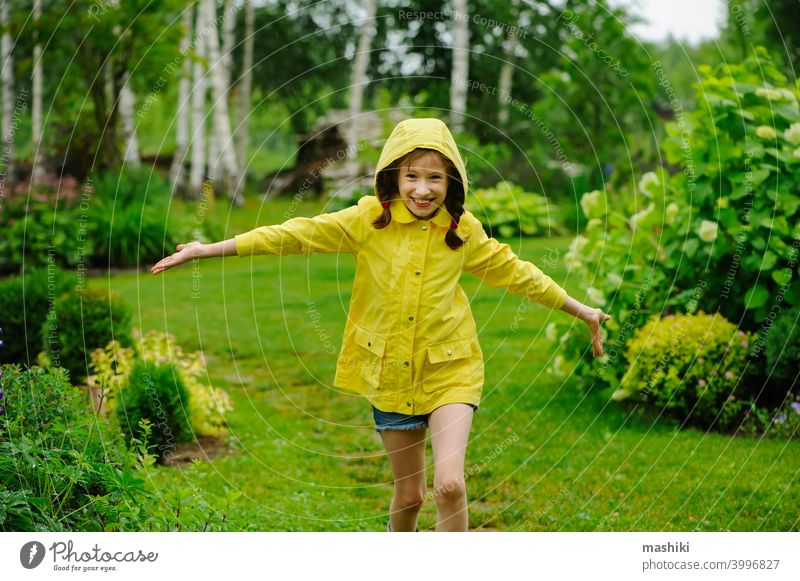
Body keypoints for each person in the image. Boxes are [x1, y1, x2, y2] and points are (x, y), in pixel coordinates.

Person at [151, 117, 610, 532]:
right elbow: (293, 234)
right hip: (389, 374)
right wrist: (208, 249)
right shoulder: (368, 220)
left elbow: (518, 274)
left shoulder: (462, 230)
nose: (423, 189)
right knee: (409, 496)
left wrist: (582, 311)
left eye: (435, 177)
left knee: (449, 485)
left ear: (452, 182)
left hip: (451, 368)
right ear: (394, 176)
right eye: (412, 176)